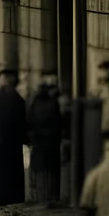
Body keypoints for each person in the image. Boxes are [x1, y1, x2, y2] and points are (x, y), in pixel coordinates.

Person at [0, 64, 28, 209]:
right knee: (13, 169)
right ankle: (14, 197)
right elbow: (25, 122)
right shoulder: (18, 99)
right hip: (13, 142)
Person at [28, 71, 66, 206]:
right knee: (52, 171)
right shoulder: (53, 103)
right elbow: (59, 122)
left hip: (38, 142)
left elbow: (30, 120)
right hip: (51, 142)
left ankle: (39, 196)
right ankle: (51, 197)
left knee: (39, 170)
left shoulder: (35, 102)